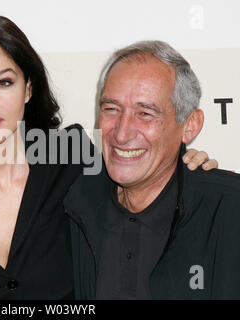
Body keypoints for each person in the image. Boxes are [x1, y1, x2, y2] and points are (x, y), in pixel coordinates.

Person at [0, 17, 217, 300]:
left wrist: (185, 165)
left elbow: (141, 177)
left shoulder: (74, 160)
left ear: (28, 89)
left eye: (3, 83)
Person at [64, 40, 240, 300]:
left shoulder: (229, 210)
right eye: (111, 109)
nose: (122, 134)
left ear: (190, 125)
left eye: (145, 114)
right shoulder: (71, 198)